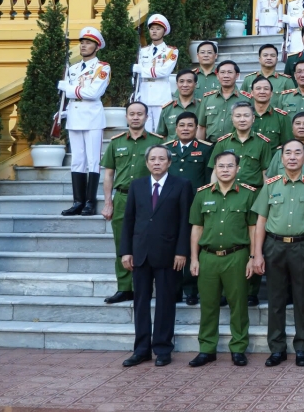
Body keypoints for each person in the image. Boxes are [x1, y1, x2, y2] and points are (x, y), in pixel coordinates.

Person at [119, 145, 195, 368]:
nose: (157, 162)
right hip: (140, 253)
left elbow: (185, 222)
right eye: (153, 159)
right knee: (141, 302)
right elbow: (129, 220)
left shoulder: (181, 185)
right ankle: (141, 350)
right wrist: (126, 251)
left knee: (165, 303)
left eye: (162, 159)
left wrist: (182, 251)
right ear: (147, 162)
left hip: (169, 254)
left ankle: (162, 348)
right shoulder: (137, 185)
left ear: (169, 163)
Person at [252, 140, 304, 368]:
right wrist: (257, 254)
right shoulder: (271, 185)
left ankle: (303, 347)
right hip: (274, 246)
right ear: (281, 158)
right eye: (288, 153)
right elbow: (261, 220)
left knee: (303, 299)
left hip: (303, 247)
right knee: (276, 299)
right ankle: (277, 348)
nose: (292, 157)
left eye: (297, 153)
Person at [188, 151, 256, 368]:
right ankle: (207, 349)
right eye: (221, 166)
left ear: (238, 169)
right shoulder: (202, 194)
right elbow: (196, 228)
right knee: (208, 305)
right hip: (208, 257)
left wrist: (253, 257)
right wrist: (194, 258)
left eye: (229, 166)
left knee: (238, 304)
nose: (225, 170)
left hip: (237, 256)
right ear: (215, 169)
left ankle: (238, 348)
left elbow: (253, 228)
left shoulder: (248, 194)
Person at [100, 102, 165, 305]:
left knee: (147, 241)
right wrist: (108, 202)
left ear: (147, 117)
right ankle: (124, 288)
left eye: (140, 114)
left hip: (148, 198)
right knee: (122, 242)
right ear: (126, 117)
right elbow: (109, 174)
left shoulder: (157, 142)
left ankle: (143, 286)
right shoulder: (116, 142)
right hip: (122, 197)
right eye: (132, 114)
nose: (135, 117)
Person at [60, 26, 110, 218]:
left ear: (97, 47)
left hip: (92, 117)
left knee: (93, 161)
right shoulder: (72, 69)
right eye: (82, 42)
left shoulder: (102, 68)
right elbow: (72, 96)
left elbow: (94, 93)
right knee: (77, 161)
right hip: (74, 115)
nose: (83, 45)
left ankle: (90, 201)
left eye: (88, 43)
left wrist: (69, 89)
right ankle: (77, 201)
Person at [164, 111, 213, 305]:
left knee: (195, 247)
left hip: (196, 204)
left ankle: (192, 290)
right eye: (182, 125)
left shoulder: (206, 149)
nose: (186, 129)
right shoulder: (166, 149)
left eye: (190, 125)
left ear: (196, 128)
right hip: (171, 206)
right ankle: (174, 289)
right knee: (172, 245)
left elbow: (209, 179)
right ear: (175, 128)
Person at [209, 102, 273, 189]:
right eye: (238, 116)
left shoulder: (263, 143)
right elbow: (215, 171)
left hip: (253, 192)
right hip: (227, 192)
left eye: (246, 116)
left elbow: (265, 173)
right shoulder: (222, 142)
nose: (242, 120)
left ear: (253, 118)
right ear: (232, 118)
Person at [134, 14, 179, 133]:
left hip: (160, 95)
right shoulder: (143, 51)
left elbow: (164, 71)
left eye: (158, 29)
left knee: (161, 131)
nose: (154, 31)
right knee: (146, 131)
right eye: (152, 28)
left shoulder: (171, 51)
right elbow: (137, 76)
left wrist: (142, 70)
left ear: (164, 32)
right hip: (144, 94)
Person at [196, 61, 249, 142]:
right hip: (211, 146)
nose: (226, 76)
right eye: (222, 72)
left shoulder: (246, 99)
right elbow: (201, 127)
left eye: (230, 72)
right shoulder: (207, 98)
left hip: (236, 145)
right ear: (217, 76)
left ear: (237, 75)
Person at [245, 78, 291, 146]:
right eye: (258, 88)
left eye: (266, 89)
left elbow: (288, 145)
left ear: (271, 93)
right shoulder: (243, 116)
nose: (262, 91)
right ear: (252, 93)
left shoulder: (282, 117)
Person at [157, 69, 201, 140]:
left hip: (196, 150)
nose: (185, 85)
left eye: (189, 81)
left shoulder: (202, 107)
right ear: (177, 84)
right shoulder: (167, 109)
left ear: (195, 85)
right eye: (181, 81)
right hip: (172, 150)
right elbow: (162, 135)